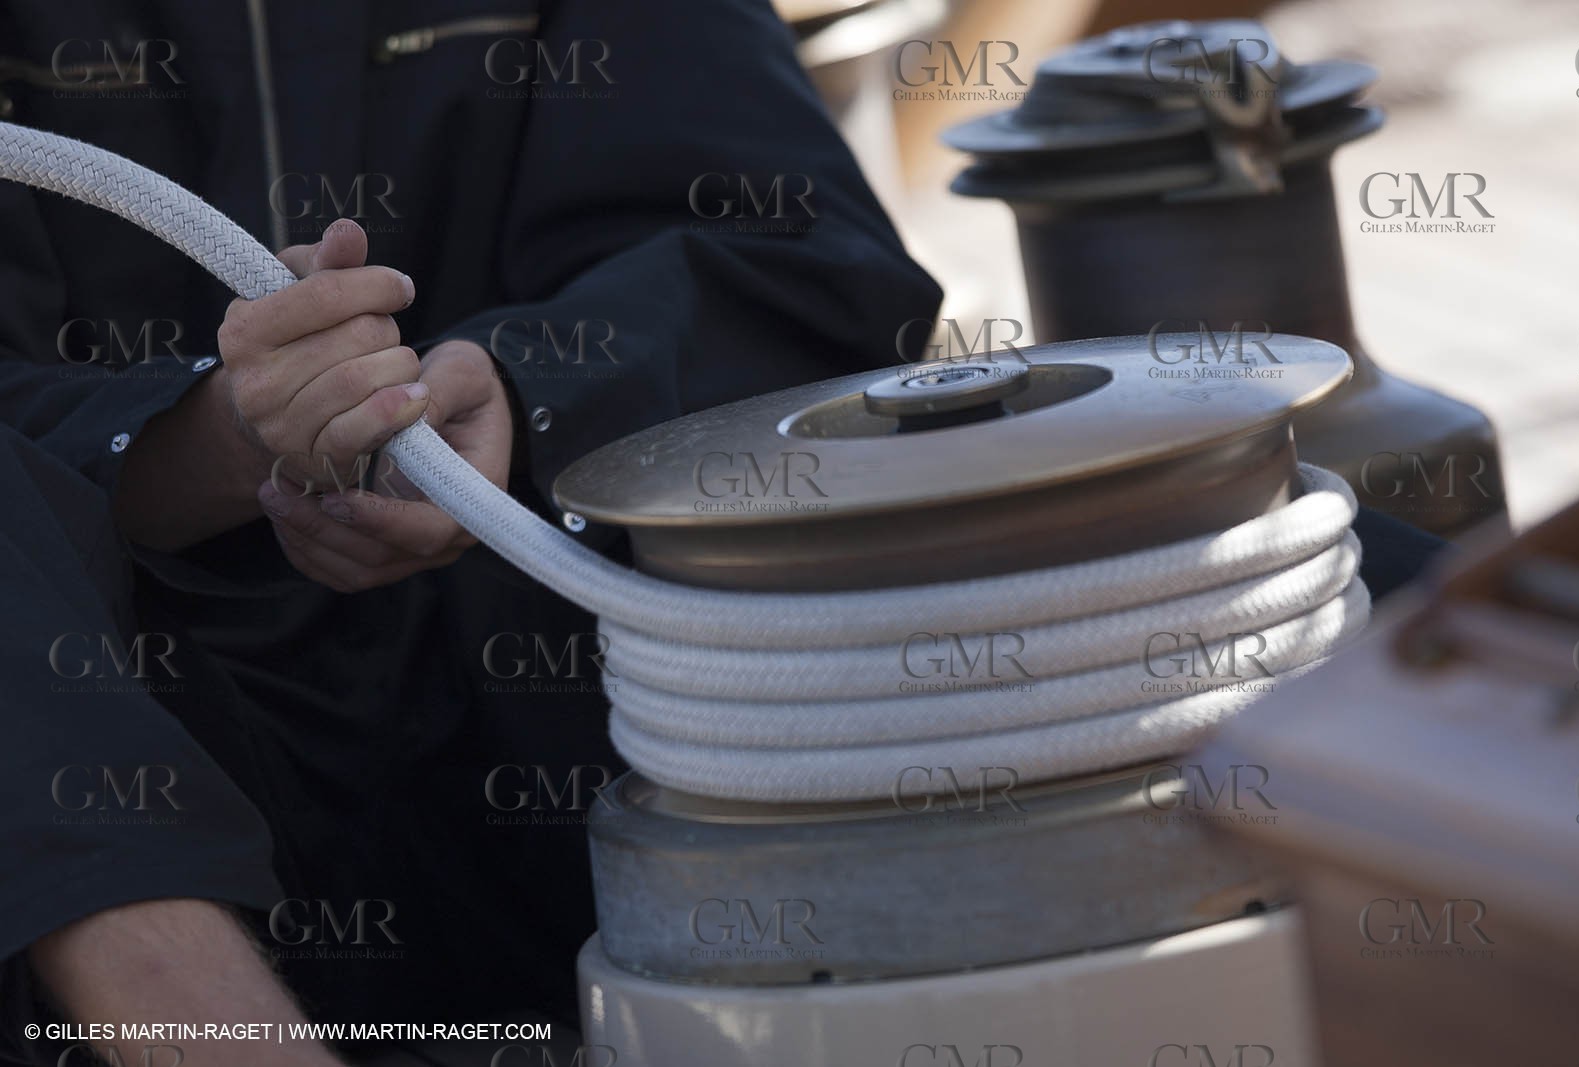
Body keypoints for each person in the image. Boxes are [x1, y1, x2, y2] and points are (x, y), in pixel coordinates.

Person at [0, 1, 942, 1064]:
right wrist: (227, 441)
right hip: (104, 745)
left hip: (562, 739)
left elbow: (808, 258)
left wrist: (522, 383)